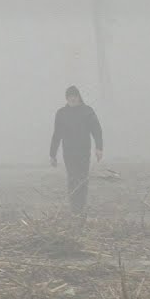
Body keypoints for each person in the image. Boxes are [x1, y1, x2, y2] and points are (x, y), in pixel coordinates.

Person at [50, 86, 104, 214]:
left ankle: (81, 205)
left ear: (79, 97)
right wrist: (52, 154)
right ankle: (74, 207)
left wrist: (99, 148)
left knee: (83, 178)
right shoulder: (62, 113)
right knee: (72, 178)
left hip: (84, 151)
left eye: (74, 96)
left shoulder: (87, 111)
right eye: (69, 96)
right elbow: (57, 134)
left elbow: (96, 130)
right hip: (68, 152)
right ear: (66, 98)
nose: (72, 98)